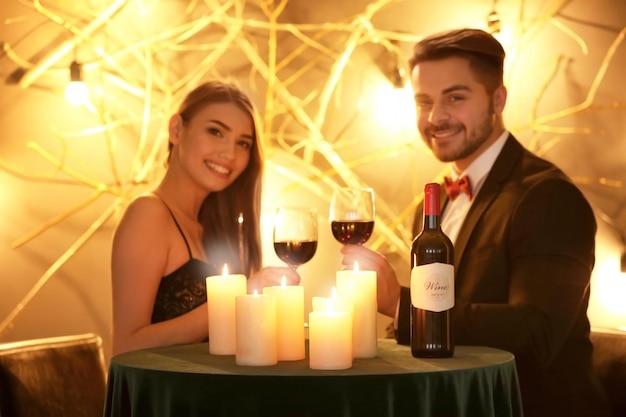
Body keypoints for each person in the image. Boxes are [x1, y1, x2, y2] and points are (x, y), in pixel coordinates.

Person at [340, 29, 611, 417]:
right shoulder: (432, 203)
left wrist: (401, 305)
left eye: (455, 97)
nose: (435, 117)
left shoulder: (549, 196)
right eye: (424, 101)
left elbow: (535, 333)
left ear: (497, 99)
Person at [111, 80, 298, 355]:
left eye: (243, 143)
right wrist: (236, 300)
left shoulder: (215, 226)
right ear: (176, 130)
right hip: (166, 396)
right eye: (215, 131)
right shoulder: (148, 213)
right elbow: (126, 346)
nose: (230, 154)